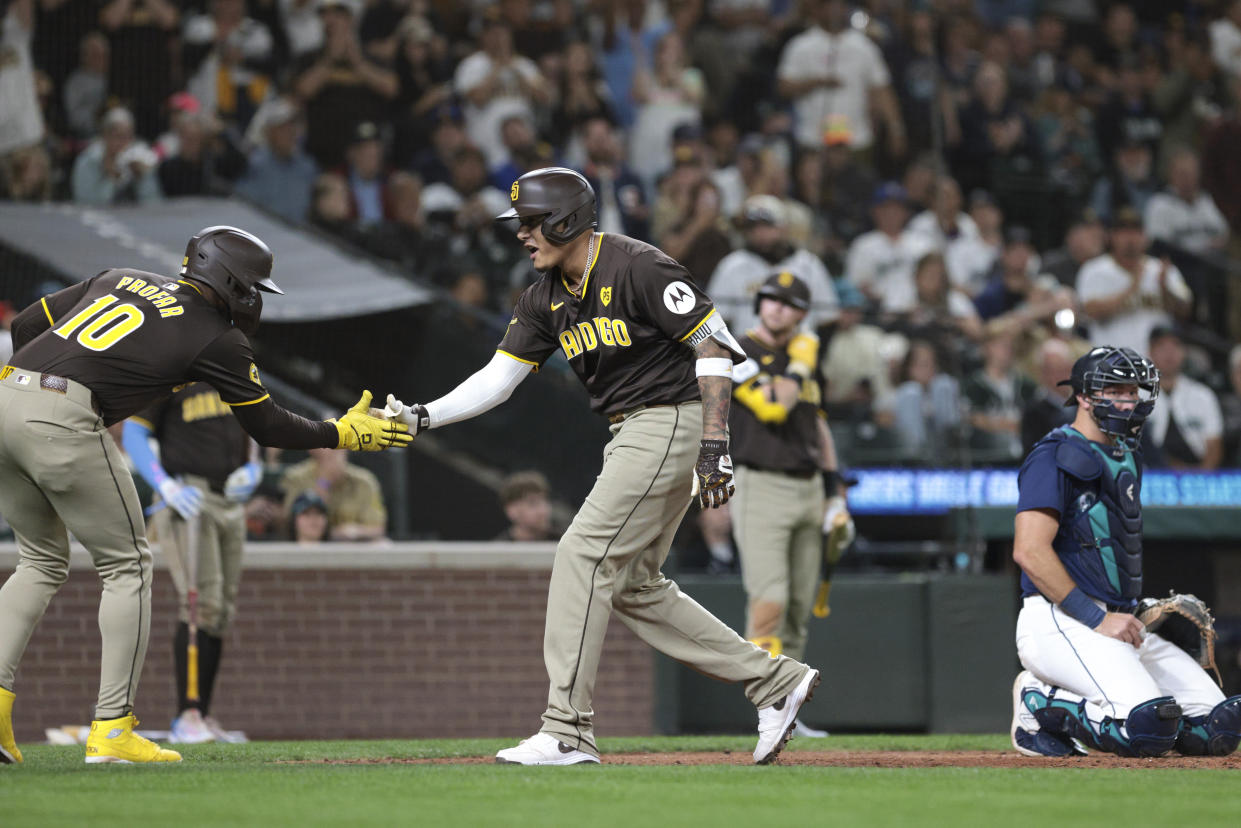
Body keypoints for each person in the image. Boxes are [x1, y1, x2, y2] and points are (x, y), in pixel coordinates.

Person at [385, 167, 820, 766]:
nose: (523, 235)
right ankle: (775, 681)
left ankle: (566, 729)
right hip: (633, 430)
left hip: (670, 418)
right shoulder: (542, 296)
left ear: (566, 219)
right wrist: (422, 417)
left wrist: (715, 444)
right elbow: (498, 378)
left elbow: (713, 346)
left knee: (581, 554)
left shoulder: (637, 264)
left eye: (533, 223)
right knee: (634, 585)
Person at [0, 225, 409, 765]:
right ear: (231, 282)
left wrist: (48, 376)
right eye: (253, 287)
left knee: (40, 562)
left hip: (7, 396)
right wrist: (339, 432)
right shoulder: (214, 334)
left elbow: (27, 322)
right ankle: (112, 728)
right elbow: (266, 424)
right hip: (67, 417)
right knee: (128, 566)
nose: (255, 298)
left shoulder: (121, 275)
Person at [1009, 346, 1241, 759]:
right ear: (1083, 396)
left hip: (1120, 621)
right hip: (1061, 620)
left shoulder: (1128, 452)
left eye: (1133, 391)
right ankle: (1037, 701)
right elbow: (1029, 551)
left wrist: (1129, 611)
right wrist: (1096, 616)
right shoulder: (1055, 453)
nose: (1127, 400)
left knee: (1216, 730)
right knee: (1143, 730)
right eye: (1115, 389)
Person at [728, 272, 851, 740]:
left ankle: (789, 712)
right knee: (769, 601)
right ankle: (766, 707)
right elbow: (774, 407)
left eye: (787, 303)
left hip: (807, 488)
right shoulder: (737, 350)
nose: (776, 308)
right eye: (769, 299)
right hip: (761, 485)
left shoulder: (803, 356)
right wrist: (800, 365)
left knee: (799, 607)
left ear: (801, 313)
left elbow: (817, 428)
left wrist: (835, 493)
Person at [122, 382, 260, 744]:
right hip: (189, 496)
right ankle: (187, 714)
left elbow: (257, 423)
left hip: (230, 498)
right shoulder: (172, 368)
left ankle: (204, 713)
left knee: (222, 611)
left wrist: (255, 467)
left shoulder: (232, 369)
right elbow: (135, 434)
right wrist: (165, 486)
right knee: (201, 606)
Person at [708, 194, 838, 334]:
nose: (760, 233)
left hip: (800, 351)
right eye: (754, 228)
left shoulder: (808, 265)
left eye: (767, 226)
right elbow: (716, 321)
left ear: (784, 228)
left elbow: (828, 319)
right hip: (746, 351)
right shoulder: (732, 265)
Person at [1076, 206, 1192, 357]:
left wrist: (1164, 289)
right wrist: (1132, 288)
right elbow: (1090, 311)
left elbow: (1186, 311)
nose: (1130, 239)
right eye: (1123, 232)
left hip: (1154, 365)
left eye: (1136, 232)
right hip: (1110, 363)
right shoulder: (1094, 270)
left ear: (1145, 237)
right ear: (1112, 236)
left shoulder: (1162, 270)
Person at [1142, 327, 1223, 470]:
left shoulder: (1203, 395)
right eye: (1161, 346)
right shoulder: (1135, 395)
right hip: (1151, 475)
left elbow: (1214, 445)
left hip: (1198, 474)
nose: (1169, 353)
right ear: (1150, 353)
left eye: (1175, 346)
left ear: (1184, 352)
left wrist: (1202, 477)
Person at [280, 447, 387, 542]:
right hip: (312, 545)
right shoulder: (296, 478)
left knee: (383, 545)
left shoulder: (364, 482)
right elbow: (289, 525)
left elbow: (378, 527)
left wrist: (354, 532)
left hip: (353, 546)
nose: (336, 452)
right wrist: (324, 483)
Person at [495, 470, 555, 542]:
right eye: (533, 503)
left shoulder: (566, 542)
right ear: (512, 511)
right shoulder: (498, 549)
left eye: (545, 501)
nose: (543, 510)